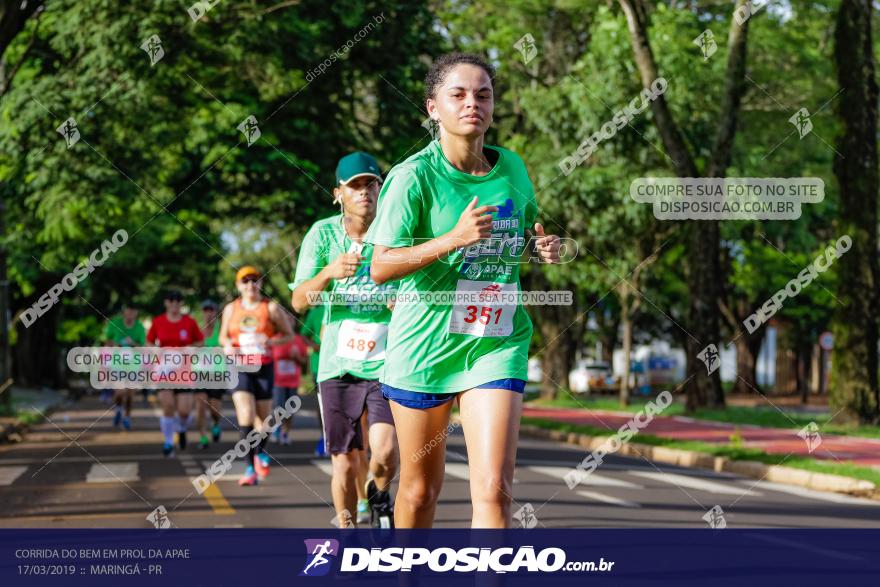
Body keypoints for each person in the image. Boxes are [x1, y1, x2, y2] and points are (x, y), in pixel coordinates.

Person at [366, 53, 561, 528]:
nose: (472, 103)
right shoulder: (413, 177)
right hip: (425, 349)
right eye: (458, 94)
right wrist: (451, 238)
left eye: (483, 94)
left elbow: (514, 240)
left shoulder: (512, 167)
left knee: (495, 492)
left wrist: (540, 247)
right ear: (433, 107)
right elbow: (380, 266)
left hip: (495, 341)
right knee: (419, 491)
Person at [291, 151, 399, 528]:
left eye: (371, 184)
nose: (364, 192)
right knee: (344, 460)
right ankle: (348, 529)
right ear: (338, 193)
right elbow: (300, 301)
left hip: (389, 363)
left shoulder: (397, 233)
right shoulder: (322, 234)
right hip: (339, 364)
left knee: (384, 454)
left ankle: (378, 494)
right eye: (355, 186)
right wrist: (328, 272)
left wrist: (399, 300)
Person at [219, 266, 294, 486]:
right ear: (238, 285)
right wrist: (227, 347)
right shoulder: (231, 309)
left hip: (264, 366)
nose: (250, 285)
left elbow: (288, 334)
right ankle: (250, 468)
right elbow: (223, 336)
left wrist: (270, 341)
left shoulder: (270, 308)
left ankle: (260, 452)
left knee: (265, 420)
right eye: (245, 281)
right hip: (240, 366)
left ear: (261, 284)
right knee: (246, 413)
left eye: (255, 280)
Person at [146, 290, 205, 457]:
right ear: (166, 303)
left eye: (178, 300)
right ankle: (168, 442)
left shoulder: (189, 322)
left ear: (181, 304)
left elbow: (200, 342)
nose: (174, 304)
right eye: (171, 300)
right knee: (168, 406)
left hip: (184, 371)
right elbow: (149, 341)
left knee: (184, 411)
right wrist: (156, 351)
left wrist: (190, 349)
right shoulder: (158, 322)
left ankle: (181, 428)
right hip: (164, 370)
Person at [102, 303, 146, 431]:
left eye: (133, 311)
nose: (130, 314)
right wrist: (115, 345)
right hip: (117, 363)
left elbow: (142, 346)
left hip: (133, 365)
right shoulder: (115, 323)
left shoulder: (139, 327)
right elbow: (107, 341)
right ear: (124, 312)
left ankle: (127, 417)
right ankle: (118, 410)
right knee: (120, 392)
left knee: (130, 394)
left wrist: (132, 343)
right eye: (128, 311)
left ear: (136, 313)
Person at [270, 313, 309, 445]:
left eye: (290, 319)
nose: (288, 322)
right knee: (278, 407)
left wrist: (297, 357)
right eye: (285, 320)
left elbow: (305, 364)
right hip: (277, 381)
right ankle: (277, 430)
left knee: (290, 410)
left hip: (293, 381)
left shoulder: (299, 340)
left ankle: (285, 433)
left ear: (294, 322)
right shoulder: (274, 339)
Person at [195, 299, 224, 449]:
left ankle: (216, 423)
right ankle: (203, 437)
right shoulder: (197, 330)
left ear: (216, 312)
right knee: (200, 406)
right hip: (200, 373)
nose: (208, 313)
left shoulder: (222, 329)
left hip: (217, 375)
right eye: (205, 310)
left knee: (214, 409)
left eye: (211, 310)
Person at [301, 305, 327, 457]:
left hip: (345, 364)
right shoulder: (315, 311)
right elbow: (304, 334)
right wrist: (314, 345)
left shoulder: (347, 303)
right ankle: (324, 438)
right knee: (322, 404)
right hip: (319, 366)